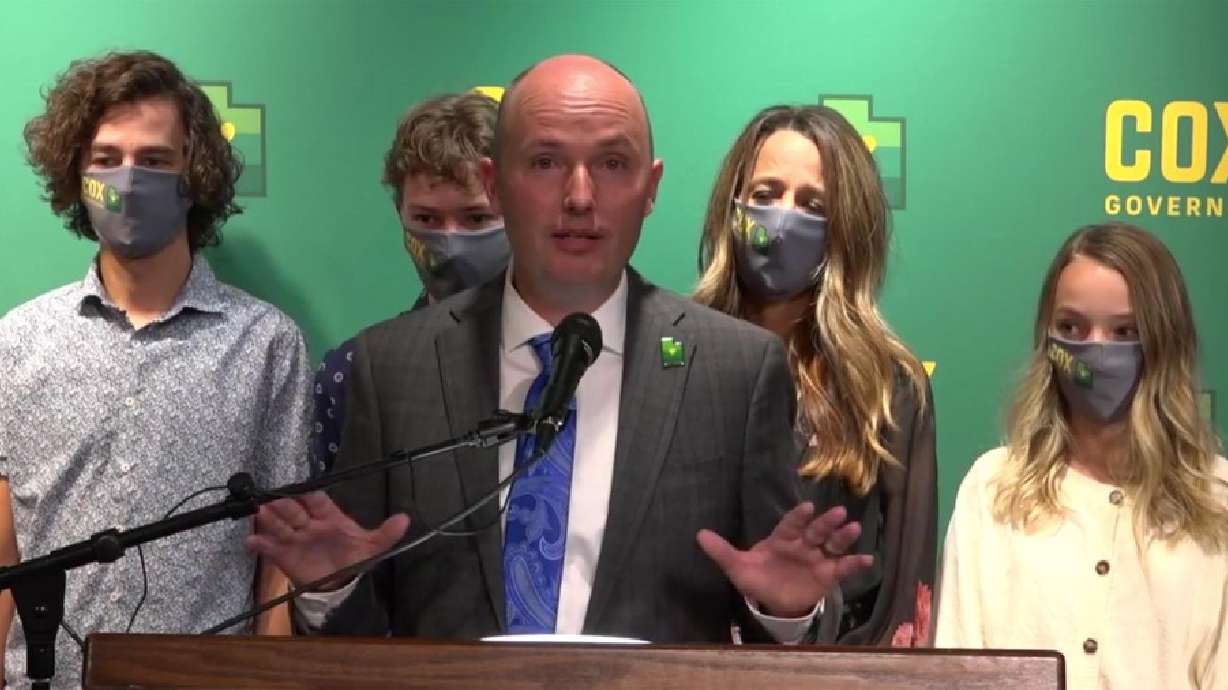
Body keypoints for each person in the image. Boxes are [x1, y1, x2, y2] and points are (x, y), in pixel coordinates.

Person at [248, 54, 872, 644]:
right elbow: (354, 642)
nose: (579, 195)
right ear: (495, 184)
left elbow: (777, 606)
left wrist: (787, 608)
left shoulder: (736, 370)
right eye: (545, 162)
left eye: (612, 164)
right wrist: (330, 587)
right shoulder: (393, 367)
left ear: (650, 188)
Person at [0, 50, 311, 688]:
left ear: (193, 176)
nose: (128, 179)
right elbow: (4, 551)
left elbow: (280, 559)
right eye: (106, 158)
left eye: (155, 160)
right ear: (75, 173)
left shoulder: (267, 344)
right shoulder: (16, 341)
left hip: (208, 680)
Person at [935, 223, 1228, 689]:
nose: (1095, 350)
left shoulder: (1218, 500)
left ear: (1164, 341)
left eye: (1124, 330)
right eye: (1071, 327)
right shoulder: (993, 488)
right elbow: (957, 667)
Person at [694, 105, 936, 646]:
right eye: (765, 194)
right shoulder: (673, 352)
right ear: (730, 209)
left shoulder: (888, 386)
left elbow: (901, 599)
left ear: (845, 227)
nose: (783, 217)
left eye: (811, 203)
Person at [313, 91, 507, 473]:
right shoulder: (353, 373)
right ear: (399, 212)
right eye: (427, 219)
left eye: (476, 218)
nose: (451, 244)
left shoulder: (578, 355)